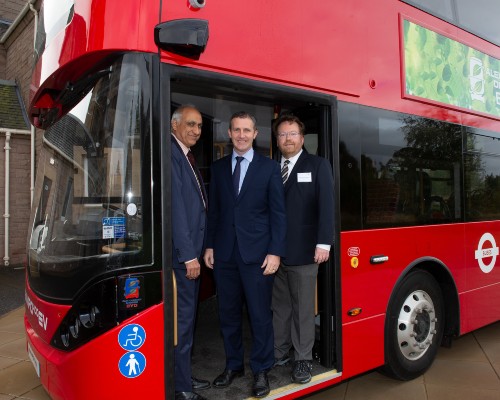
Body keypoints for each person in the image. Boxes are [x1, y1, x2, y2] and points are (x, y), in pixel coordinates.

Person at [203, 111, 286, 398]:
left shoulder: (269, 168)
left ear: (255, 134)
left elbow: (278, 214)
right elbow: (214, 212)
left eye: (246, 130)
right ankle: (234, 365)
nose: (241, 135)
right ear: (229, 132)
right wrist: (209, 245)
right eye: (236, 129)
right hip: (225, 255)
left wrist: (275, 252)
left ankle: (262, 369)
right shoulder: (219, 168)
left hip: (258, 256)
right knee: (227, 315)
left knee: (260, 315)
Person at [271, 114, 334, 384]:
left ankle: (303, 360)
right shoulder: (270, 168)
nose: (287, 139)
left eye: (292, 134)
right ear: (277, 140)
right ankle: (279, 353)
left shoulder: (318, 165)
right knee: (280, 308)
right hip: (275, 254)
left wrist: (323, 243)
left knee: (303, 310)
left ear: (302, 138)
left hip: (306, 252)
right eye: (283, 134)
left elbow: (326, 206)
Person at [171, 105, 211, 400]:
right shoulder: (173, 154)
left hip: (193, 254)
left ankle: (184, 375)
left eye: (199, 126)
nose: (196, 130)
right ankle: (181, 388)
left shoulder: (186, 155)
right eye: (190, 124)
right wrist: (189, 255)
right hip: (184, 260)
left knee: (188, 322)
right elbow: (176, 211)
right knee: (182, 324)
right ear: (175, 125)